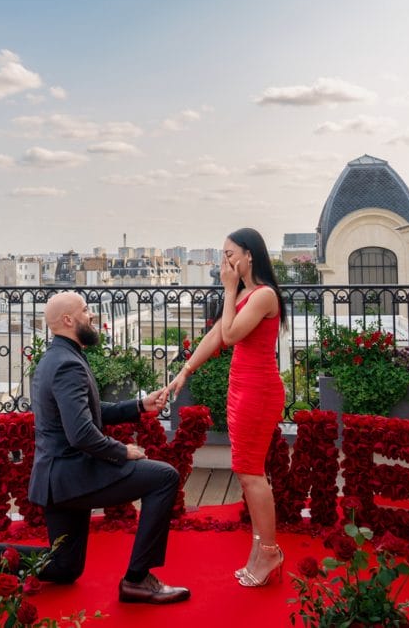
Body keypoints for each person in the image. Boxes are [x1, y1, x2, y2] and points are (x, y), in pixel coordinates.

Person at [0, 291, 191, 604]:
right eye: (86, 310)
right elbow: (81, 433)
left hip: (57, 480)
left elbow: (86, 413)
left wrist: (138, 406)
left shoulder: (56, 358)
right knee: (164, 477)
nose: (92, 315)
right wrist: (123, 451)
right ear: (68, 320)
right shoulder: (68, 364)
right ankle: (137, 580)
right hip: (75, 476)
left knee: (65, 567)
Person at [163, 227, 287, 587]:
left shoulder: (262, 295)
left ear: (250, 255)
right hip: (241, 388)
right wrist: (185, 371)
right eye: (223, 255)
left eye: (230, 254)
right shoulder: (247, 294)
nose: (225, 262)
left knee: (251, 472)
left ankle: (269, 552)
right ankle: (260, 548)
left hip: (258, 390)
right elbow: (217, 333)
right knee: (246, 470)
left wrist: (229, 290)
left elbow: (231, 337)